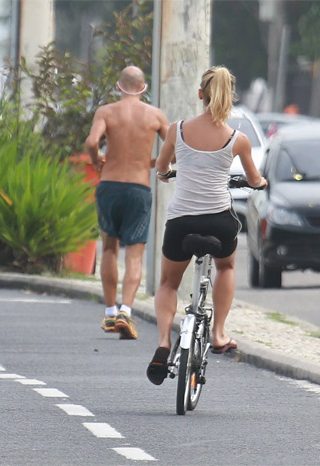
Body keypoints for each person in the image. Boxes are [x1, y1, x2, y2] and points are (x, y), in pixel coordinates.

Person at [146, 66, 267, 385]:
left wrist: (168, 171)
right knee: (226, 267)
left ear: (201, 94)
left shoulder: (177, 130)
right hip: (219, 220)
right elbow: (254, 179)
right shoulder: (237, 139)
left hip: (181, 220)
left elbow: (161, 167)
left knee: (168, 283)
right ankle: (219, 333)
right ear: (230, 97)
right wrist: (259, 182)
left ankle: (162, 341)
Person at [84, 65, 169, 340]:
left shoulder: (106, 112)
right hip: (138, 187)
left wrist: (98, 161)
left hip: (109, 185)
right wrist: (154, 164)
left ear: (118, 87)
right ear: (143, 88)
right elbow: (175, 148)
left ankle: (109, 312)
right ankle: (126, 311)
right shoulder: (154, 115)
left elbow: (91, 141)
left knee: (109, 247)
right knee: (135, 253)